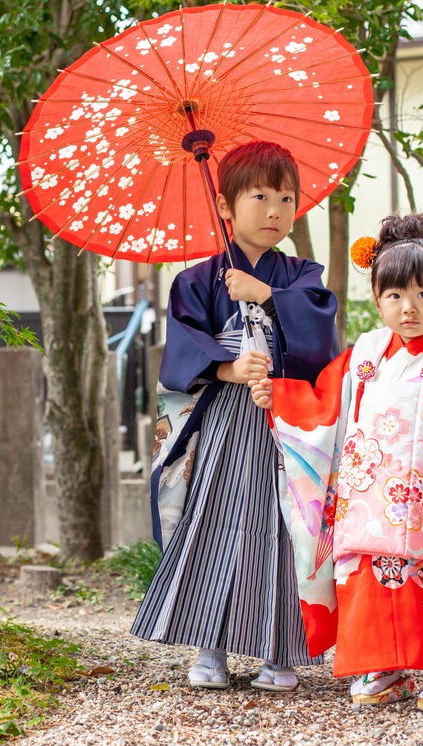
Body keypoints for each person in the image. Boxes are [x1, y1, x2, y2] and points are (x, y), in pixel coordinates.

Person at [251, 212, 423, 712]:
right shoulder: (365, 353)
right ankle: (384, 666)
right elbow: (324, 405)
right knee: (372, 580)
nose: (408, 308)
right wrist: (280, 400)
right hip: (368, 495)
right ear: (377, 298)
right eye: (394, 295)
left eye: (422, 294)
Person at [131, 141, 339, 692]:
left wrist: (266, 295)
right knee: (214, 526)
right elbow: (180, 352)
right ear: (224, 207)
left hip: (283, 424)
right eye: (260, 196)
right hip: (223, 423)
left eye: (287, 198)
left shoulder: (301, 276)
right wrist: (226, 368)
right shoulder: (197, 281)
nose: (275, 210)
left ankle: (281, 652)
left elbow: (322, 337)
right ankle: (210, 649)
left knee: (282, 529)